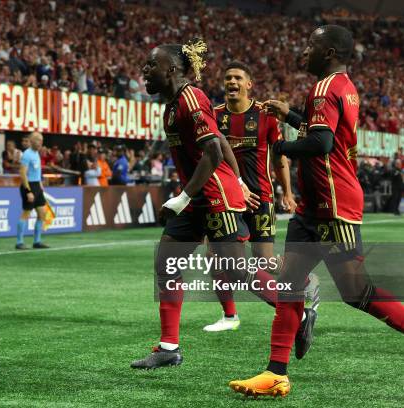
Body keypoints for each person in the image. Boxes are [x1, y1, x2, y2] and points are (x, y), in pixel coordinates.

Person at [229, 25, 404, 398]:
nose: (304, 50)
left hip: (332, 206)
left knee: (357, 290)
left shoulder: (324, 88)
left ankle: (276, 371)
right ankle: (276, 372)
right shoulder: (344, 86)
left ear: (328, 53)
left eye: (311, 45)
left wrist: (282, 149)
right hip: (317, 206)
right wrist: (291, 114)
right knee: (291, 285)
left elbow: (322, 142)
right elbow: (327, 132)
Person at [131, 38, 300, 370]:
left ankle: (299, 308)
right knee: (167, 262)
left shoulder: (192, 98)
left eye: (152, 65)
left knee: (235, 271)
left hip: (213, 198)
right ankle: (168, 347)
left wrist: (183, 196)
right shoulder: (172, 105)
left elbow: (211, 151)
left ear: (172, 69)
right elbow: (220, 140)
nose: (145, 71)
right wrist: (237, 178)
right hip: (201, 197)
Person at [204, 61, 312, 332]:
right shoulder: (215, 116)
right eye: (228, 77)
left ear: (249, 84)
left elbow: (279, 157)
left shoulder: (265, 115)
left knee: (264, 261)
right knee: (214, 256)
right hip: (227, 199)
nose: (232, 82)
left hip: (261, 198)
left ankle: (302, 281)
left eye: (238, 78)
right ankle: (229, 316)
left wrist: (287, 193)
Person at [16, 132, 49, 250]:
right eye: (38, 140)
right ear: (31, 141)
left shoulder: (36, 154)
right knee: (26, 213)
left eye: (41, 140)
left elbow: (37, 172)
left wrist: (40, 185)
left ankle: (37, 241)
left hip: (37, 186)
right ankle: (19, 242)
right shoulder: (27, 154)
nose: (40, 142)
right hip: (28, 186)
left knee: (42, 213)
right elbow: (22, 173)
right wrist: (28, 190)